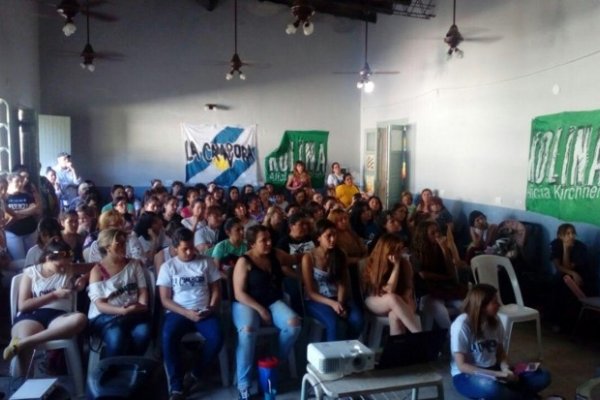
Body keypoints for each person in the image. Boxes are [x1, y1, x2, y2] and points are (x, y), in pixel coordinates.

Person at [232, 225, 302, 400]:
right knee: (247, 331)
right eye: (264, 240)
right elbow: (239, 293)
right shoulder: (244, 261)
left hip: (272, 301)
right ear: (252, 244)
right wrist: (260, 309)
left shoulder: (276, 254)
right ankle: (244, 384)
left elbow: (295, 258)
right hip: (246, 303)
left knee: (294, 324)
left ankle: (273, 363)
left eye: (270, 239)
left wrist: (311, 256)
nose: (269, 243)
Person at [2, 238, 88, 376]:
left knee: (80, 319)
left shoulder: (69, 268)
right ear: (48, 258)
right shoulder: (31, 272)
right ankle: (23, 385)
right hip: (32, 315)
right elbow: (23, 305)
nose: (63, 269)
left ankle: (23, 343)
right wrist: (54, 295)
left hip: (59, 316)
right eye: (59, 265)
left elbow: (99, 266)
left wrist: (83, 278)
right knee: (24, 337)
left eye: (66, 265)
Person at [451, 284, 551, 399]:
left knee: (543, 376)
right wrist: (497, 375)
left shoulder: (495, 320)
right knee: (490, 387)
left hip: (495, 368)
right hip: (467, 375)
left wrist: (505, 369)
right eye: (494, 302)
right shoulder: (462, 325)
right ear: (482, 306)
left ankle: (510, 395)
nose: (499, 305)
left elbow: (500, 352)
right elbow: (462, 366)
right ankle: (523, 396)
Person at [157, 228, 223, 400]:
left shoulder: (206, 262)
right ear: (175, 249)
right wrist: (186, 313)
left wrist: (212, 306)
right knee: (167, 336)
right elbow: (165, 299)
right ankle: (176, 386)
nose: (189, 252)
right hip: (178, 312)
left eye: (191, 247)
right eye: (184, 249)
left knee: (217, 337)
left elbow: (216, 290)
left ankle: (195, 373)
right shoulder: (168, 267)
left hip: (203, 310)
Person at [87, 228, 151, 358]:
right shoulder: (97, 271)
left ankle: (130, 367)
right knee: (117, 336)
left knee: (144, 333)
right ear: (107, 248)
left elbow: (142, 290)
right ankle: (110, 370)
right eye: (119, 244)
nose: (124, 247)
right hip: (104, 315)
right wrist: (122, 311)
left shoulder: (133, 264)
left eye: (124, 243)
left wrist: (142, 305)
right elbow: (100, 305)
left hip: (132, 311)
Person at [302, 220, 364, 341]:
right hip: (316, 300)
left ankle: (347, 348)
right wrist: (333, 304)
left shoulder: (340, 254)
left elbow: (342, 283)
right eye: (328, 236)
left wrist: (339, 303)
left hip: (337, 297)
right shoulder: (308, 258)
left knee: (358, 320)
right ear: (318, 237)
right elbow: (310, 292)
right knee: (334, 323)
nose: (333, 239)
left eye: (335, 235)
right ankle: (332, 356)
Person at [411, 220, 467, 330]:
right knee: (440, 310)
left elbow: (451, 271)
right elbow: (424, 275)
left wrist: (445, 250)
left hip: (445, 289)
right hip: (427, 292)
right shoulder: (416, 252)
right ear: (424, 236)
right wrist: (445, 278)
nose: (437, 235)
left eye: (438, 232)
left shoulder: (440, 248)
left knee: (464, 306)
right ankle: (449, 337)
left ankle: (467, 335)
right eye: (432, 233)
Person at [362, 234, 421, 336]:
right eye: (396, 251)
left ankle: (397, 350)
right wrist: (396, 266)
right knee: (392, 298)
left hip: (400, 298)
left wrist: (406, 296)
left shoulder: (405, 263)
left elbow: (409, 286)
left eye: (400, 250)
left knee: (395, 315)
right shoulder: (372, 263)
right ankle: (419, 336)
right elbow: (389, 290)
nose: (399, 254)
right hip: (376, 298)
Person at [4, 172, 41, 268]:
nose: (20, 184)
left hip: (31, 231)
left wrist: (15, 213)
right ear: (9, 182)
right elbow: (6, 215)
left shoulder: (26, 195)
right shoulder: (5, 197)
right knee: (20, 261)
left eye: (21, 181)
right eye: (17, 181)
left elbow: (35, 209)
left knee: (33, 259)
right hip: (13, 233)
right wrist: (27, 212)